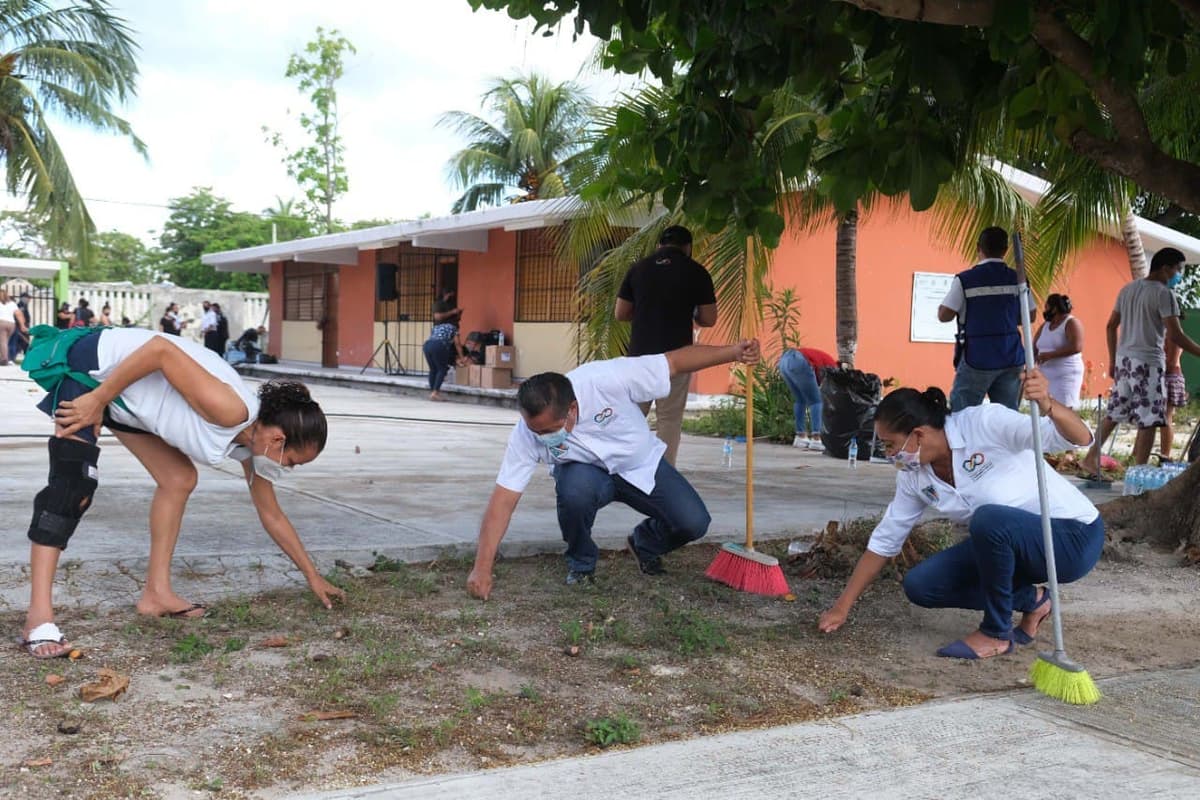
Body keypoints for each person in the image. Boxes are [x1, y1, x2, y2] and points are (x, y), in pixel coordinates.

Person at [17, 325, 344, 659]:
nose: (287, 468)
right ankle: (38, 619)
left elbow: (271, 515)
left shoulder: (250, 446)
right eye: (291, 461)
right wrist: (97, 400)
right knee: (71, 487)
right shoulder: (232, 410)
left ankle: (156, 594)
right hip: (94, 371)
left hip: (124, 395)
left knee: (178, 478)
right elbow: (160, 350)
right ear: (277, 439)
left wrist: (313, 576)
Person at [818, 372, 1102, 659]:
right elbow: (886, 539)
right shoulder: (914, 476)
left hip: (1071, 539)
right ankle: (1034, 601)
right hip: (1010, 548)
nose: (889, 454)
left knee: (988, 520)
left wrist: (1047, 403)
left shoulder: (984, 424)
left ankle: (996, 632)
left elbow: (1079, 438)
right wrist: (842, 607)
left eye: (890, 444)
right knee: (922, 585)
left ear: (918, 434)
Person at [466, 338, 761, 598]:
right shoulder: (526, 434)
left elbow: (673, 362)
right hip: (586, 475)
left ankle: (644, 543)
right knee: (574, 490)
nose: (542, 437)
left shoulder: (605, 378)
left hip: (640, 466)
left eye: (549, 430)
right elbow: (503, 500)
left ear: (572, 409)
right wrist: (481, 567)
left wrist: (733, 352)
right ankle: (581, 564)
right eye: (536, 431)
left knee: (694, 522)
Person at [1081, 248, 1200, 473]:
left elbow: (1111, 326)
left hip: (1124, 362)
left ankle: (1090, 457)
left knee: (1114, 413)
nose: (1178, 275)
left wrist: (1113, 360)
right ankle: (1139, 472)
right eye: (1178, 269)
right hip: (1148, 363)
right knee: (1150, 419)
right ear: (1165, 268)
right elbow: (1176, 335)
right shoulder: (1164, 294)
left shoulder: (1128, 289)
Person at [616, 225, 718, 466]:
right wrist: (690, 312)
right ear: (688, 247)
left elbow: (621, 313)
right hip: (677, 358)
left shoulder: (638, 269)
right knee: (669, 420)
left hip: (640, 357)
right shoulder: (697, 271)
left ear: (659, 245)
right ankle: (663, 474)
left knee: (631, 416)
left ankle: (624, 467)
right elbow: (709, 319)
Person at [937, 227, 1030, 412]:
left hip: (977, 357)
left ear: (978, 247)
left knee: (963, 414)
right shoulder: (1018, 279)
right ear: (1005, 250)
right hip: (1011, 356)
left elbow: (944, 315)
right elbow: (1029, 316)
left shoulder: (965, 280)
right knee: (1007, 415)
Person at [778, 346, 837, 451]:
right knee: (817, 401)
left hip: (784, 361)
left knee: (800, 400)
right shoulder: (834, 369)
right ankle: (817, 439)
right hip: (799, 360)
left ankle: (800, 437)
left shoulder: (828, 362)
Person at [1033, 293, 1084, 409]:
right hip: (1046, 376)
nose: (1044, 311)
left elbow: (1077, 347)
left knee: (1064, 409)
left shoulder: (1071, 323)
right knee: (1047, 409)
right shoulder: (1045, 325)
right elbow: (1035, 345)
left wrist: (1049, 355)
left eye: (1046, 307)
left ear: (1054, 308)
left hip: (1066, 376)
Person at [424, 288, 463, 401]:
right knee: (442, 369)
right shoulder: (453, 327)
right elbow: (458, 344)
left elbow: (433, 336)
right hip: (439, 345)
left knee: (433, 369)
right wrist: (462, 357)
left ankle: (432, 392)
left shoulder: (437, 326)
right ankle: (435, 392)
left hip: (427, 345)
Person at [1161, 334, 1188, 459]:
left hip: (1170, 376)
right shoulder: (1161, 332)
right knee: (1148, 419)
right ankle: (1136, 454)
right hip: (1162, 376)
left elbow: (1172, 362)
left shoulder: (1172, 334)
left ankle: (1165, 456)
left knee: (1166, 417)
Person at [8, 290, 32, 363]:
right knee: (22, 343)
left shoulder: (23, 305)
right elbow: (19, 317)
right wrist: (23, 326)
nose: (29, 300)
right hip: (20, 327)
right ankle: (12, 357)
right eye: (28, 298)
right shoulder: (21, 306)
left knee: (21, 343)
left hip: (22, 327)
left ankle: (14, 357)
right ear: (23, 298)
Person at [0, 288, 18, 366]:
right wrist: (22, 325)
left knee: (3, 342)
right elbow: (18, 314)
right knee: (5, 342)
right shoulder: (12, 303)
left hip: (1, 322)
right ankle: (3, 357)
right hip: (11, 324)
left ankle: (4, 359)